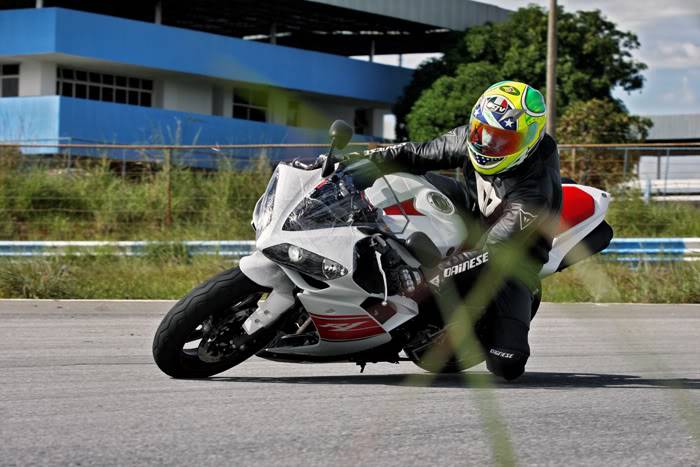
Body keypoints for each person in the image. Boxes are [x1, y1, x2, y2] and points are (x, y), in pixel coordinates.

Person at [364, 81, 562, 380]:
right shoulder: (473, 139)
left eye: (501, 140)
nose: (488, 144)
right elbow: (418, 152)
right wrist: (361, 162)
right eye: (482, 132)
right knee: (408, 180)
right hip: (474, 210)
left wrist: (426, 282)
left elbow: (489, 252)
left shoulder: (533, 192)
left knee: (506, 364)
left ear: (528, 141)